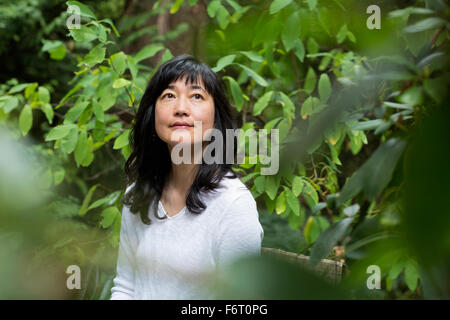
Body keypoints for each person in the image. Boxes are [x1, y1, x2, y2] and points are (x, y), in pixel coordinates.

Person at [110, 54, 264, 300]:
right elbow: (126, 288)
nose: (181, 109)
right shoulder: (138, 196)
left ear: (216, 121)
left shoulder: (233, 206)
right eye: (168, 96)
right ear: (153, 115)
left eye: (197, 96)